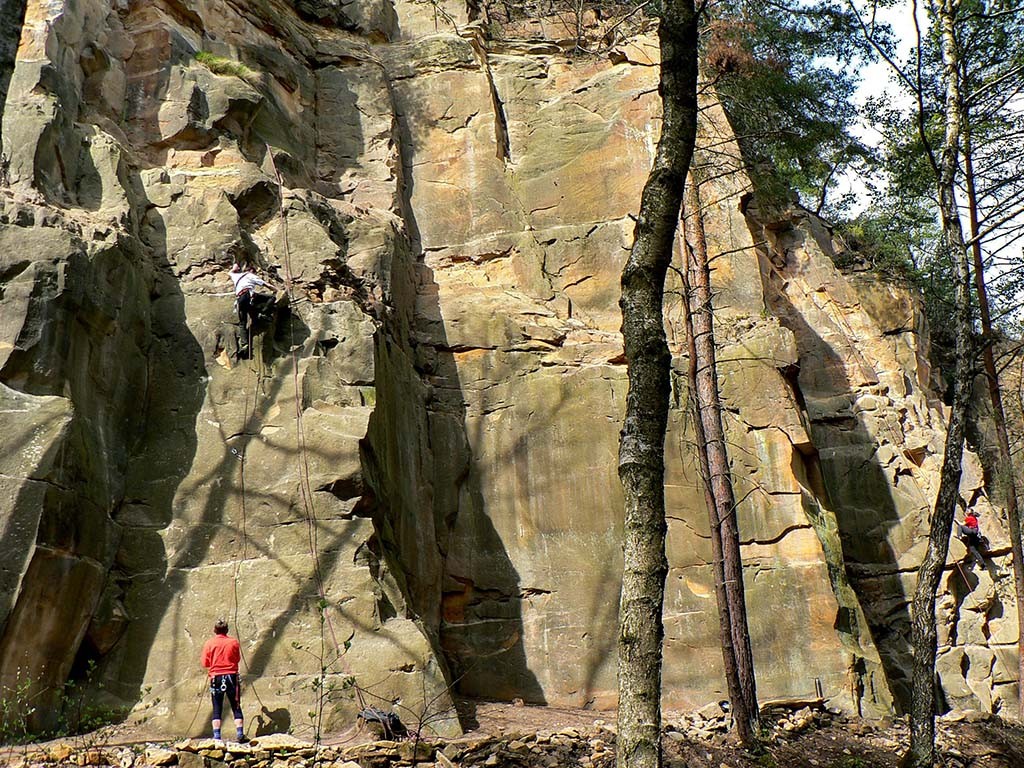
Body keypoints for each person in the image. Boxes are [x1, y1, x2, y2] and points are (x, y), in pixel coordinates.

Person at [201, 619, 245, 742]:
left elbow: (205, 663)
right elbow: (237, 659)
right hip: (231, 677)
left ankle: (217, 736)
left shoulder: (209, 643)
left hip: (216, 677)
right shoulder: (233, 642)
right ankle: (240, 733)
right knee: (236, 705)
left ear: (215, 630)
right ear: (227, 630)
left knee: (217, 707)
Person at [228, 262, 277, 356]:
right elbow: (265, 284)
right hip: (248, 296)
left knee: (242, 323)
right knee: (272, 298)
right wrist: (275, 289)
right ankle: (263, 313)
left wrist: (234, 268)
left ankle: (244, 345)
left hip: (239, 301)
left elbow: (230, 273)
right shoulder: (250, 275)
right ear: (251, 271)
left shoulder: (237, 276)